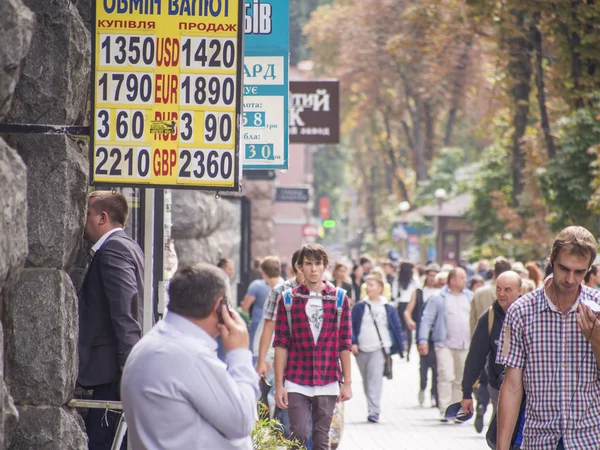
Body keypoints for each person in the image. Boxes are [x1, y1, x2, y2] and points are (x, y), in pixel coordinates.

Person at [121, 263, 259, 449]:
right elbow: (242, 421)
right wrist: (240, 353)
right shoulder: (189, 355)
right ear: (220, 306)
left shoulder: (153, 343)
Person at [497, 226, 600, 450]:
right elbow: (513, 386)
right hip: (539, 439)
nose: (571, 279)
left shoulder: (597, 308)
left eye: (580, 272)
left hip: (589, 438)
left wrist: (597, 340)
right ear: (552, 259)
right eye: (564, 269)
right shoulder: (521, 311)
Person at [78, 191, 144, 450]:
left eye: (87, 214)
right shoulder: (129, 245)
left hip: (113, 371)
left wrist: (128, 363)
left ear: (102, 217)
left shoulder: (114, 249)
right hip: (114, 368)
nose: (84, 220)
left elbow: (125, 307)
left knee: (103, 441)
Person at [274, 244, 352, 449]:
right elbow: (281, 343)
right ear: (299, 267)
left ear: (325, 266)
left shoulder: (339, 298)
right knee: (298, 432)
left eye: (318, 264)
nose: (314, 269)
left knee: (321, 436)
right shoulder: (288, 300)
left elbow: (345, 342)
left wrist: (347, 382)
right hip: (296, 378)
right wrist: (279, 384)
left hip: (328, 377)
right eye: (308, 264)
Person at [460, 271, 522, 432]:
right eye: (498, 289)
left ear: (519, 291)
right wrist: (466, 393)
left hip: (529, 389)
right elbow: (475, 357)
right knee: (503, 432)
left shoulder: (532, 315)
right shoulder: (489, 317)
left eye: (507, 290)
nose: (501, 294)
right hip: (498, 387)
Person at [417, 267, 474, 421]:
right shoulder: (438, 297)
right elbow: (426, 319)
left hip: (464, 344)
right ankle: (444, 409)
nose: (466, 280)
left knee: (460, 379)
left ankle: (456, 409)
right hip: (444, 344)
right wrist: (422, 340)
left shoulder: (469, 296)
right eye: (462, 277)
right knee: (445, 375)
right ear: (453, 280)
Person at [351, 273, 404, 422]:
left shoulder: (388, 308)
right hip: (361, 349)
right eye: (367, 285)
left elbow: (396, 327)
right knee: (366, 380)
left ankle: (374, 410)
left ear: (380, 288)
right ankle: (371, 406)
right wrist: (353, 342)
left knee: (375, 379)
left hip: (379, 349)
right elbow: (351, 326)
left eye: (372, 285)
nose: (369, 288)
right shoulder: (359, 307)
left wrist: (400, 348)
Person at [404, 262, 441, 407]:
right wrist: (410, 321)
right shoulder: (419, 292)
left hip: (437, 334)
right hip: (422, 333)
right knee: (424, 364)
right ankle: (423, 388)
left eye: (435, 275)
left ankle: (434, 393)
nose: (432, 278)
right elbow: (407, 311)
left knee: (437, 366)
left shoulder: (441, 293)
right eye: (430, 275)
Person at [241, 256, 282, 359]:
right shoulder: (282, 288)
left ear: (263, 273)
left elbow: (245, 306)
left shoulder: (277, 291)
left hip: (270, 345)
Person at [470, 257, 512, 332]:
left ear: (494, 272)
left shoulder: (479, 292)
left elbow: (472, 321)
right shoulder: (514, 293)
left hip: (482, 338)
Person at [393, 262, 419, 361]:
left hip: (401, 304)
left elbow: (395, 294)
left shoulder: (397, 280)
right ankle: (408, 352)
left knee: (400, 328)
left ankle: (401, 349)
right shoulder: (414, 280)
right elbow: (417, 291)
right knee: (409, 329)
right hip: (411, 304)